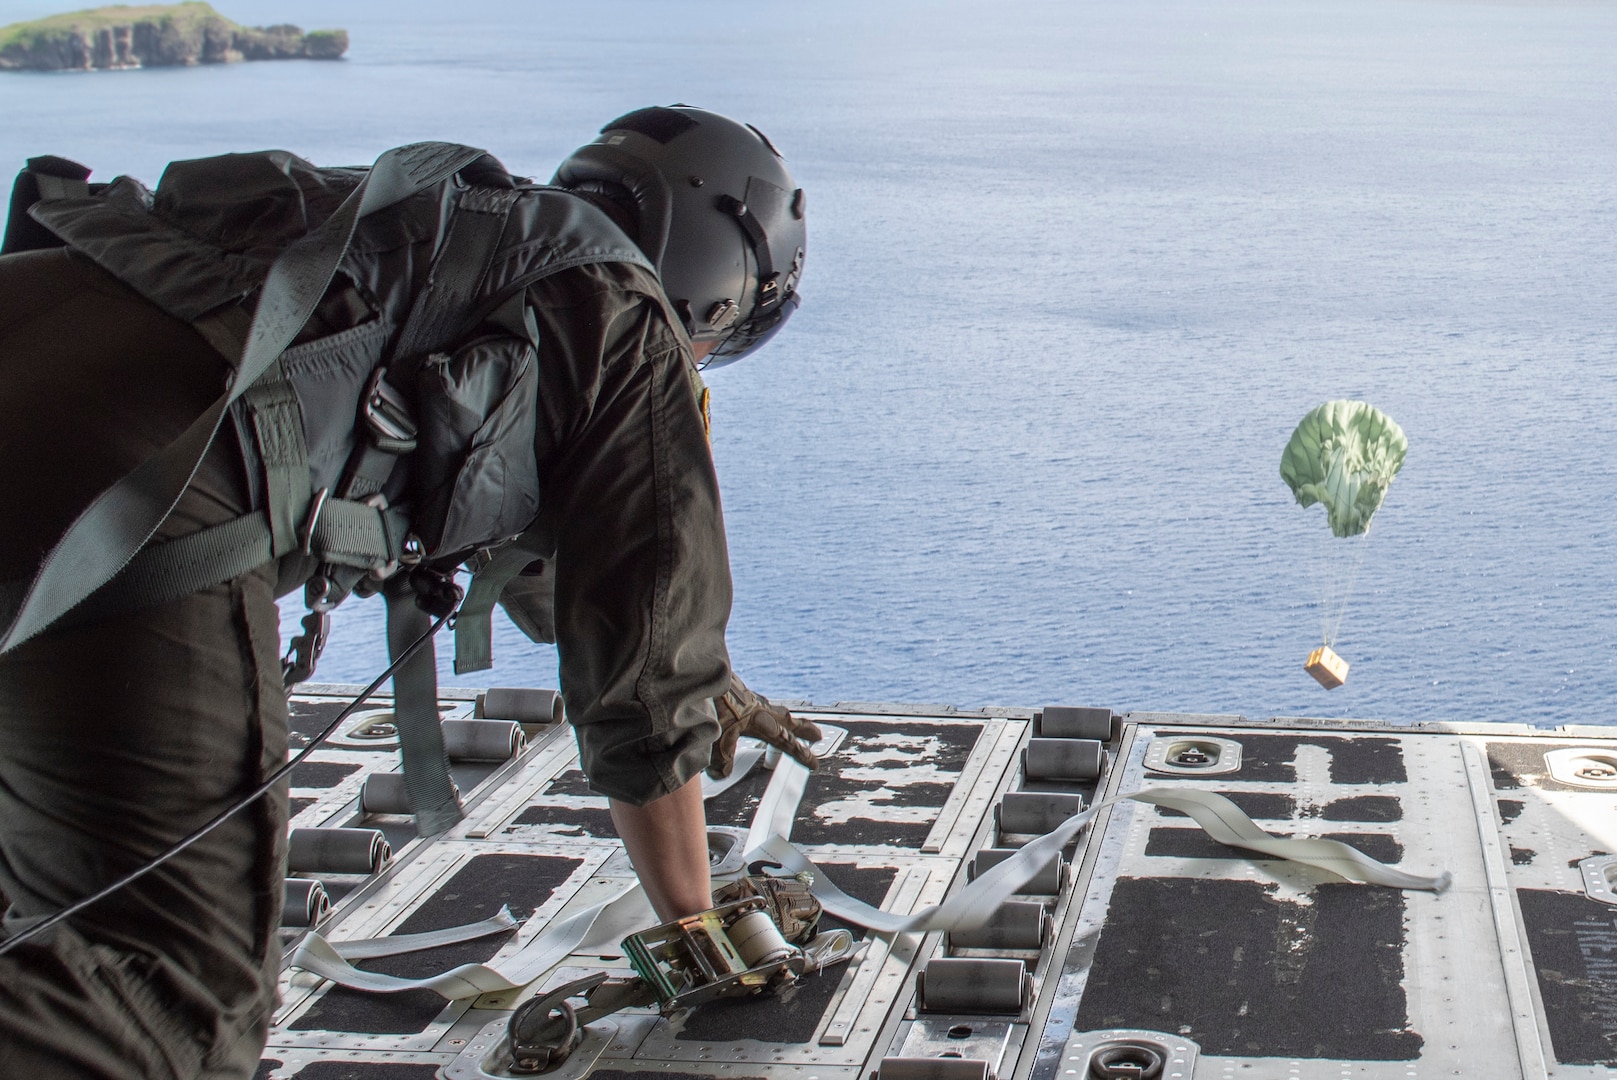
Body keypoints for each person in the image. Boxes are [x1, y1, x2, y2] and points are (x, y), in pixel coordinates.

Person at [0, 105, 819, 1079]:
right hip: (125, 469)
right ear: (724, 285)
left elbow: (560, 576)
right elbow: (642, 664)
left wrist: (704, 678)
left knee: (48, 914)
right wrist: (699, 925)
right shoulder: (627, 318)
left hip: (37, 334)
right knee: (170, 998)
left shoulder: (461, 246)